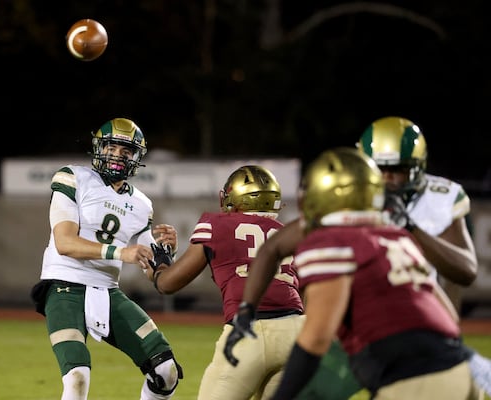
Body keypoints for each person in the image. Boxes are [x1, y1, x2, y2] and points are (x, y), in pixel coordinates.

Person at [235, 147, 481, 399]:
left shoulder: (331, 241)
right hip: (458, 368)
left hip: (413, 379)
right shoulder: (396, 236)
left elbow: (316, 339)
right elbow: (448, 316)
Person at [30, 117, 183, 400]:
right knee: (77, 377)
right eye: (112, 148)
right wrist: (120, 252)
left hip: (108, 292)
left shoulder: (142, 204)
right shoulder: (72, 177)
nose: (117, 156)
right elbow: (64, 242)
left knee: (166, 371)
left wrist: (166, 253)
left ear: (136, 158)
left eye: (126, 151)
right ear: (99, 147)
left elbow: (152, 270)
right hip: (64, 286)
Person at [146, 165, 305, 399]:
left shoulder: (216, 224)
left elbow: (168, 284)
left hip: (249, 332)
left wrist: (161, 265)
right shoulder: (286, 232)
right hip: (296, 332)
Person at [356, 116, 478, 312]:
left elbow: (467, 271)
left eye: (397, 169)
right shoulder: (346, 194)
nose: (387, 177)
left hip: (417, 312)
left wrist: (409, 227)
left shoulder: (439, 197)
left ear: (417, 167)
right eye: (379, 168)